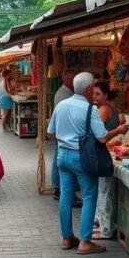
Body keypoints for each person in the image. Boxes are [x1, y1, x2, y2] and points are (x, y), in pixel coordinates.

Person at [47, 72, 128, 255]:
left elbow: (51, 132)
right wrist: (118, 130)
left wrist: (64, 142)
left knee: (66, 196)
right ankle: (85, 241)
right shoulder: (89, 109)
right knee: (89, 195)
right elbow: (101, 138)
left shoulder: (61, 105)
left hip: (62, 156)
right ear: (89, 88)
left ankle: (67, 237)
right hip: (81, 157)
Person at [92, 81, 121, 240]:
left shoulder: (103, 109)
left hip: (104, 152)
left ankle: (104, 227)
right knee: (104, 190)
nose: (94, 97)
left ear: (106, 95)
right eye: (93, 94)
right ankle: (103, 224)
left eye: (98, 94)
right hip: (109, 150)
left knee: (104, 191)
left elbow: (99, 134)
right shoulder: (111, 107)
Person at [51, 70, 77, 201]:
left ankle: (60, 189)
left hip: (61, 133)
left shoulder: (66, 93)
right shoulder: (63, 94)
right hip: (63, 134)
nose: (74, 82)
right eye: (73, 79)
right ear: (66, 79)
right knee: (58, 160)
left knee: (58, 159)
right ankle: (58, 188)